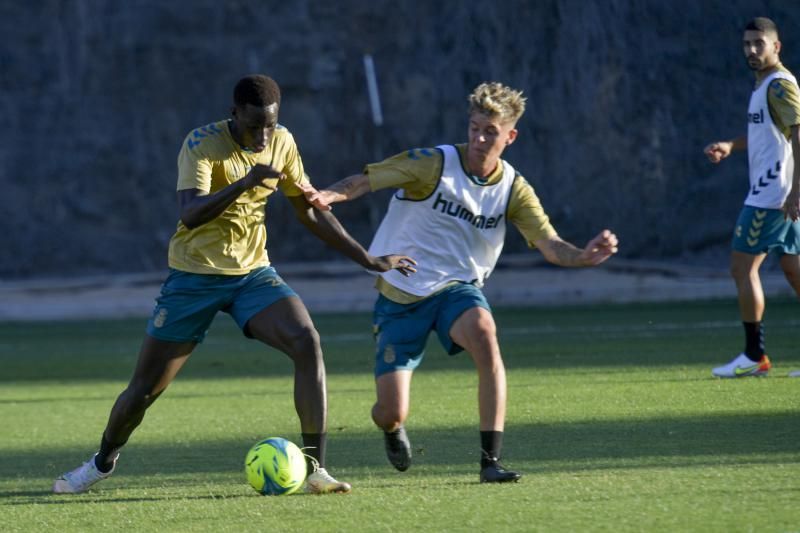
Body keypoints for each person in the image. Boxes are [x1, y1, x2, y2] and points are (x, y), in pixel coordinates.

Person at [52, 74, 416, 494]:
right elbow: (189, 213)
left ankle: (316, 468)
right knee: (144, 391)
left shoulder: (282, 142)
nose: (263, 135)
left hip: (253, 275)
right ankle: (101, 463)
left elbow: (308, 211)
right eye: (253, 125)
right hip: (194, 277)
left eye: (270, 124)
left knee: (307, 341)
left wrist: (367, 259)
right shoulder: (201, 144)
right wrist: (244, 182)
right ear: (234, 113)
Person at [301, 81, 618, 482]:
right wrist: (330, 195)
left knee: (486, 333)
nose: (480, 139)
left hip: (457, 290)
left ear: (511, 136)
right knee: (390, 410)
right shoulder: (432, 164)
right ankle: (392, 427)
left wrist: (585, 256)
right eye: (474, 128)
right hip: (401, 295)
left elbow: (550, 245)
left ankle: (491, 462)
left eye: (491, 132)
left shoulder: (513, 189)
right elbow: (368, 178)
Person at [703, 17, 800, 378]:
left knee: (742, 268)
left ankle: (754, 356)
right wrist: (731, 145)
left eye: (759, 43)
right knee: (793, 271)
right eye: (747, 44)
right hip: (778, 194)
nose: (752, 50)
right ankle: (755, 356)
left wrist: (795, 190)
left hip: (771, 196)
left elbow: (798, 135)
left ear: (777, 47)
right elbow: (767, 134)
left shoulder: (779, 86)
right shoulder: (763, 87)